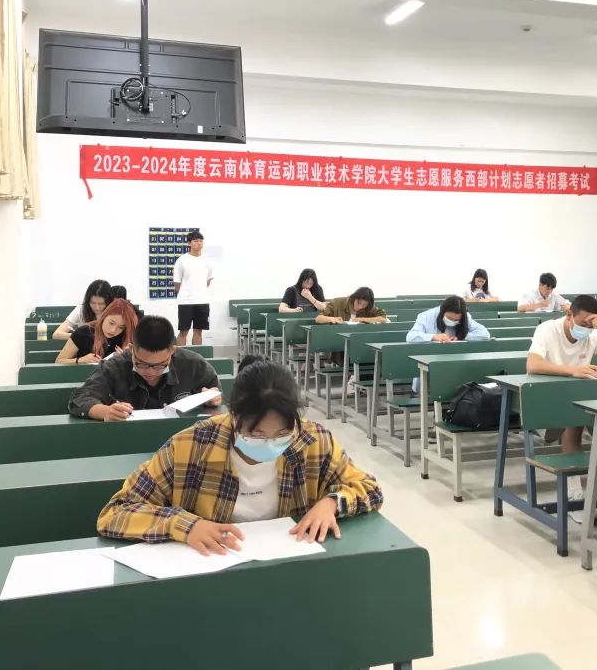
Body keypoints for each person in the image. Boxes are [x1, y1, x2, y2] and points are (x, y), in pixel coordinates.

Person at [96, 359, 384, 552]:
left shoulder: (312, 440)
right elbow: (116, 512)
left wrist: (331, 503)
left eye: (282, 434)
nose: (270, 443)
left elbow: (369, 488)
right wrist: (185, 525)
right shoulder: (190, 447)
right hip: (213, 569)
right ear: (233, 416)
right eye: (257, 435)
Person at [526, 294, 597, 521]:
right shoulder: (547, 330)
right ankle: (574, 494)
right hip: (547, 398)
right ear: (569, 315)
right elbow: (533, 364)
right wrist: (573, 370)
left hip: (581, 398)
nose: (587, 329)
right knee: (575, 421)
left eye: (592, 324)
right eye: (583, 323)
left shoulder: (593, 334)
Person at [68, 315, 223, 421]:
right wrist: (106, 412)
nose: (150, 372)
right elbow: (79, 399)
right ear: (131, 349)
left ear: (172, 351)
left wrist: (212, 398)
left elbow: (216, 396)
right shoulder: (114, 367)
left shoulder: (194, 365)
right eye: (141, 363)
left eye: (160, 365)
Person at [55, 298, 139, 364]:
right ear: (104, 316)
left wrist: (127, 358)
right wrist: (81, 360)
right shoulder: (84, 332)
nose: (113, 330)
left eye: (121, 327)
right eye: (111, 323)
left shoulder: (126, 337)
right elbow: (59, 361)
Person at [174, 230, 213, 346]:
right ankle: (180, 355)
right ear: (189, 243)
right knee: (183, 331)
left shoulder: (207, 260)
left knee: (199, 331)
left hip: (202, 301)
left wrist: (199, 291)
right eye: (196, 241)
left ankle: (196, 356)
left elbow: (208, 281)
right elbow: (177, 282)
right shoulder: (182, 260)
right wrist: (185, 293)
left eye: (201, 241)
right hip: (186, 301)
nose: (199, 243)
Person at [407, 296, 491, 343]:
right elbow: (411, 337)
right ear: (442, 312)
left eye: (456, 320)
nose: (452, 322)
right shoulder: (426, 316)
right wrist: (433, 337)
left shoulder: (466, 317)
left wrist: (461, 337)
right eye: (449, 318)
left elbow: (484, 334)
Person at [314, 287, 388, 325]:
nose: (360, 307)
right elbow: (318, 318)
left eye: (364, 305)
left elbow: (383, 318)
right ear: (354, 297)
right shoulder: (337, 303)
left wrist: (362, 319)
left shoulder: (368, 307)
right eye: (358, 303)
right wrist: (331, 319)